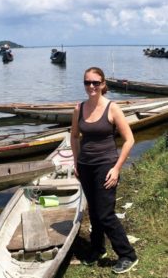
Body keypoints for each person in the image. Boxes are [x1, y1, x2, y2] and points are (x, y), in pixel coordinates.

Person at [70, 67, 138, 274]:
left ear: (103, 84)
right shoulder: (78, 109)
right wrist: (76, 162)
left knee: (105, 213)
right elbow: (74, 136)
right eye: (87, 82)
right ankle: (97, 248)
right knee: (94, 210)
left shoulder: (112, 108)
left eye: (95, 83)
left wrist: (117, 169)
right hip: (85, 166)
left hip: (106, 166)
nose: (91, 86)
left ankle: (128, 255)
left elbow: (129, 140)